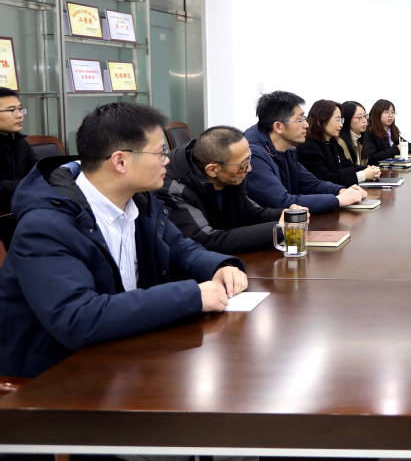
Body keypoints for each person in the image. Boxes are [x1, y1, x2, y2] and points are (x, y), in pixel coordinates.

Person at [0, 102, 247, 378]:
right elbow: (78, 318)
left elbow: (180, 249)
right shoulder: (46, 225)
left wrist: (219, 267)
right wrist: (191, 296)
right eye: (160, 153)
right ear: (120, 161)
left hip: (124, 353)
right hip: (55, 375)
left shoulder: (138, 200)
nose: (167, 161)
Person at [157, 125, 307, 254]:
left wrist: (288, 215)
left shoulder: (229, 175)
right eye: (244, 164)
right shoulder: (172, 190)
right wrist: (279, 229)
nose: (249, 168)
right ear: (212, 170)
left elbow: (251, 213)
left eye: (249, 159)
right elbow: (208, 241)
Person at [245, 91, 366, 214]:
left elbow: (311, 183)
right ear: (278, 127)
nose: (306, 124)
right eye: (300, 120)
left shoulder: (286, 150)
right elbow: (282, 202)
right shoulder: (253, 155)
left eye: (304, 118)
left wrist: (341, 190)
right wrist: (337, 200)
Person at [299, 100, 380, 186]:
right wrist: (363, 175)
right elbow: (325, 178)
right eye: (337, 120)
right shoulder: (308, 147)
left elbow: (348, 165)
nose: (341, 124)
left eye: (341, 120)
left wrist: (371, 169)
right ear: (320, 120)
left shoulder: (333, 143)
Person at [0, 88, 37, 216]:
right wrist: (28, 185)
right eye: (12, 110)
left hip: (20, 211)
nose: (20, 115)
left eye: (20, 109)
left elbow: (38, 172)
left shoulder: (20, 143)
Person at [364, 98, 411, 163]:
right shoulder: (368, 132)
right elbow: (372, 158)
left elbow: (409, 146)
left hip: (391, 167)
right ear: (377, 114)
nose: (391, 115)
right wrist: (396, 149)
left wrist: (401, 147)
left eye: (392, 112)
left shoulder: (391, 130)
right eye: (387, 112)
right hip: (377, 168)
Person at [339, 100, 371, 167]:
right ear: (347, 119)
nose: (365, 121)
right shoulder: (340, 143)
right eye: (360, 117)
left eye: (365, 116)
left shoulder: (360, 139)